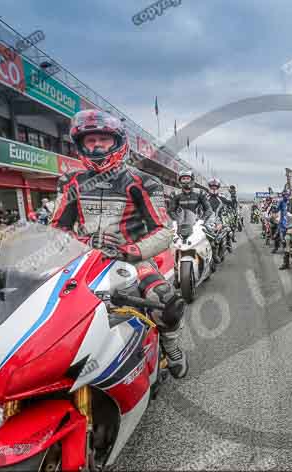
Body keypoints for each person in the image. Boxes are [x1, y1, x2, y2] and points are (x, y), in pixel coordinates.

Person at [51, 109, 189, 378]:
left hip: (133, 261)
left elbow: (164, 230)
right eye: (90, 141)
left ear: (118, 143)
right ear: (80, 145)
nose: (98, 145)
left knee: (166, 300)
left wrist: (130, 250)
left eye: (104, 139)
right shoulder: (70, 182)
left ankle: (171, 347)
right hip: (82, 261)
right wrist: (82, 242)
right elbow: (56, 229)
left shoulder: (145, 181)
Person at [272, 188, 290, 254]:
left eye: (287, 195)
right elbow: (276, 210)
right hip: (283, 222)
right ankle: (276, 248)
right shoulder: (281, 202)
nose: (286, 196)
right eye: (285, 195)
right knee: (277, 235)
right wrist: (274, 212)